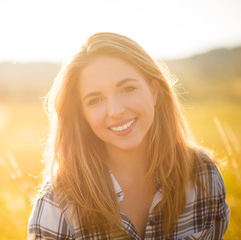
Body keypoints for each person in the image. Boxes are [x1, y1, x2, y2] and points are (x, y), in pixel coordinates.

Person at [28, 32, 229, 239]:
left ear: (154, 93)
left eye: (127, 89)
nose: (115, 110)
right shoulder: (57, 203)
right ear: (82, 115)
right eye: (95, 100)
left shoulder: (203, 176)